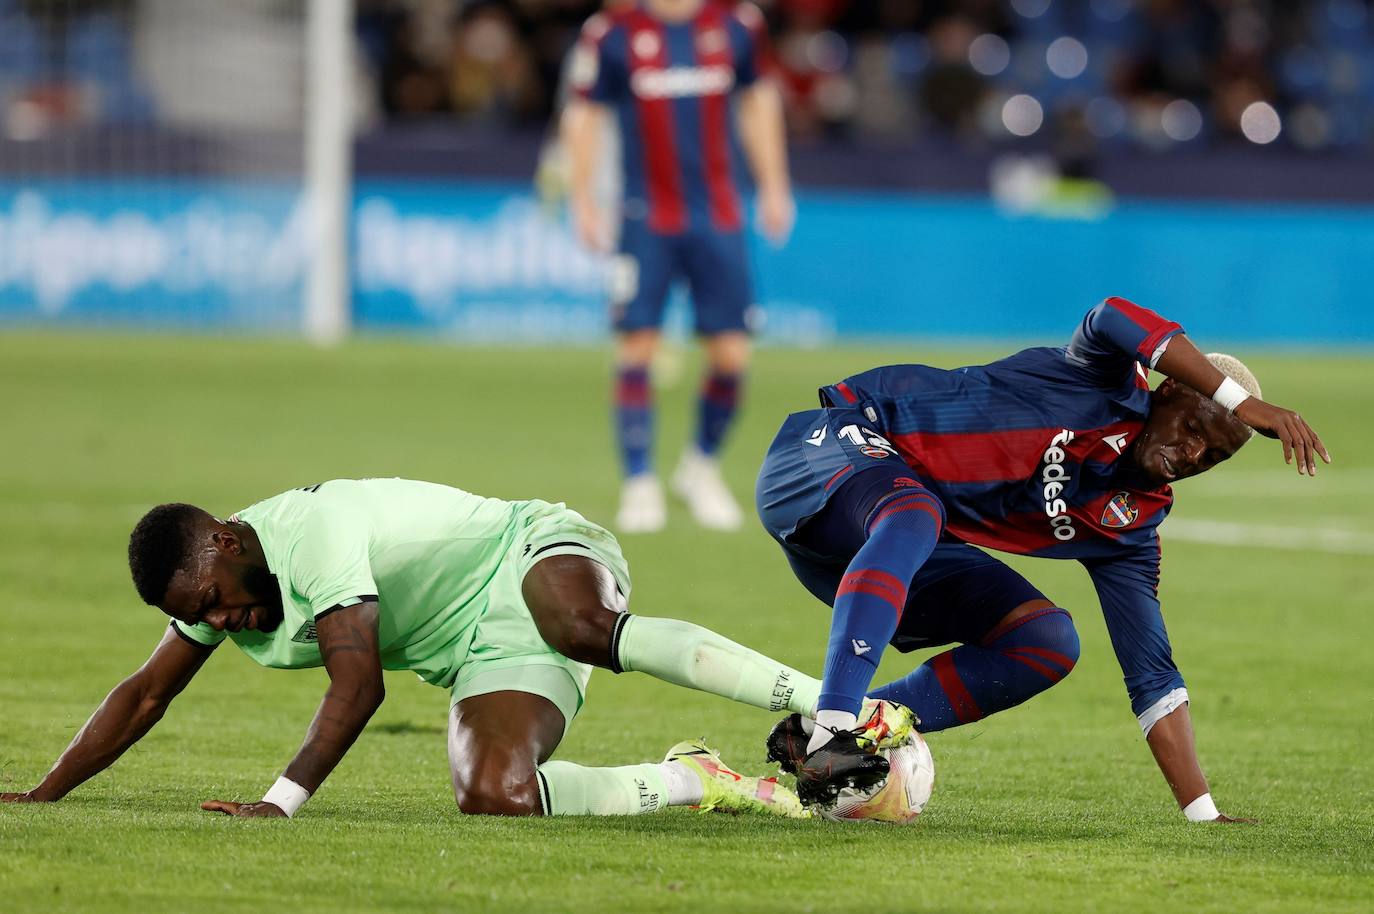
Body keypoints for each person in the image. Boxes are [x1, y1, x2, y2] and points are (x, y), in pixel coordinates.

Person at [0, 478, 910, 819]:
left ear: (228, 544)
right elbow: (145, 693)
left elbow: (357, 692)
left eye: (212, 604)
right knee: (493, 796)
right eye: (196, 615)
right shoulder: (219, 585)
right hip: (479, 650)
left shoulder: (310, 538)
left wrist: (279, 804)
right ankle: (696, 778)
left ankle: (839, 698)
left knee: (581, 627)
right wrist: (47, 791)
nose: (216, 623)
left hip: (533, 551)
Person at [755, 297, 1330, 817]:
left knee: (1048, 641)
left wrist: (1203, 812)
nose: (1193, 453)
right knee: (915, 513)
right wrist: (1241, 403)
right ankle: (836, 716)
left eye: (1214, 457)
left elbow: (1152, 672)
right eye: (1195, 429)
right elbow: (1112, 314)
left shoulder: (1131, 523)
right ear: (1170, 389)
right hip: (832, 451)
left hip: (870, 553)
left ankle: (845, 732)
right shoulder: (1104, 376)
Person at [562, 0, 794, 532]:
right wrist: (583, 198)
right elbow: (585, 113)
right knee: (636, 345)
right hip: (646, 220)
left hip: (720, 217)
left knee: (732, 356)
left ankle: (700, 466)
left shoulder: (738, 23)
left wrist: (776, 184)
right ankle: (639, 481)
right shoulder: (613, 32)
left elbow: (759, 99)